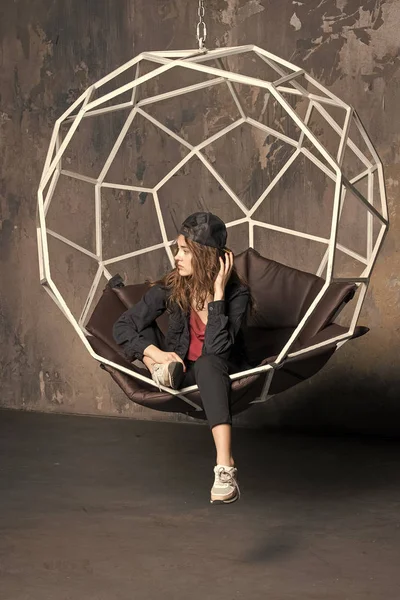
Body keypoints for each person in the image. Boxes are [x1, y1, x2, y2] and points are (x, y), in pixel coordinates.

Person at [113, 212, 251, 504]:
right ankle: (159, 369)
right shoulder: (173, 286)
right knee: (143, 326)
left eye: (185, 251)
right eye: (177, 249)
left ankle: (225, 468)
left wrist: (217, 295)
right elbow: (122, 326)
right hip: (181, 370)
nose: (177, 257)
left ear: (205, 256)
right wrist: (156, 355)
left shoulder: (237, 295)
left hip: (218, 373)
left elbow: (216, 351)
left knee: (209, 362)